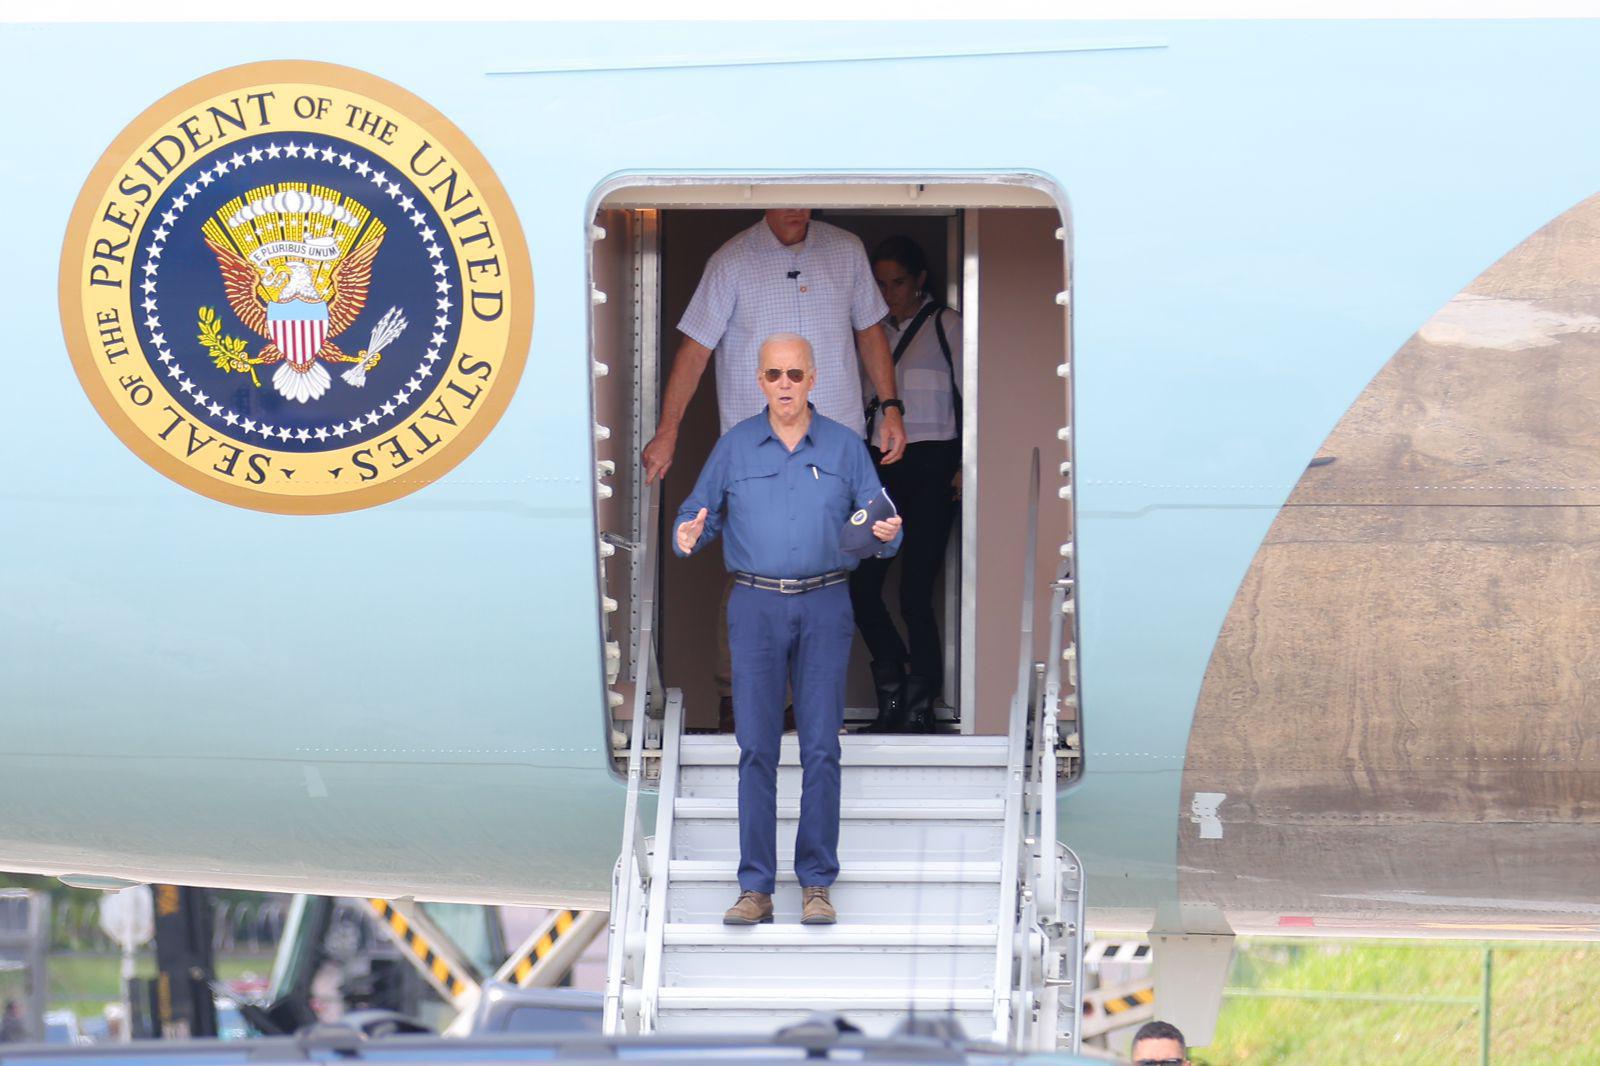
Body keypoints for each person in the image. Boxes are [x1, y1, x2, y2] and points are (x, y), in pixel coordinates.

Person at [643, 208, 908, 734]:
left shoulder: (846, 248)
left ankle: (820, 706)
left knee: (840, 565)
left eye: (803, 197)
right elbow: (695, 350)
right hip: (756, 443)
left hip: (835, 441)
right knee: (756, 567)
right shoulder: (732, 260)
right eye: (783, 197)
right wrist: (668, 429)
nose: (795, 209)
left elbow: (871, 332)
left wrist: (892, 405)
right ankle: (740, 698)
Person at [673, 334, 902, 926]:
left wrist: (887, 536)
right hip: (755, 606)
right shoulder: (734, 448)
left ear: (813, 378)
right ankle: (756, 888)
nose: (784, 384)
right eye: (774, 374)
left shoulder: (847, 448)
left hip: (826, 602)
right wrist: (686, 533)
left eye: (795, 374)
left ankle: (817, 884)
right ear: (759, 380)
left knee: (822, 746)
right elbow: (696, 512)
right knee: (756, 748)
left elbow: (886, 521)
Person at [850, 236, 963, 733]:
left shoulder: (947, 325)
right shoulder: (868, 333)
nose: (889, 292)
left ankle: (920, 703)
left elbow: (972, 397)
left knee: (916, 590)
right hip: (882, 463)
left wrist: (965, 464)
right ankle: (892, 686)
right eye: (879, 283)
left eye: (898, 282)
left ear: (919, 281)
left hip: (935, 461)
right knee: (861, 585)